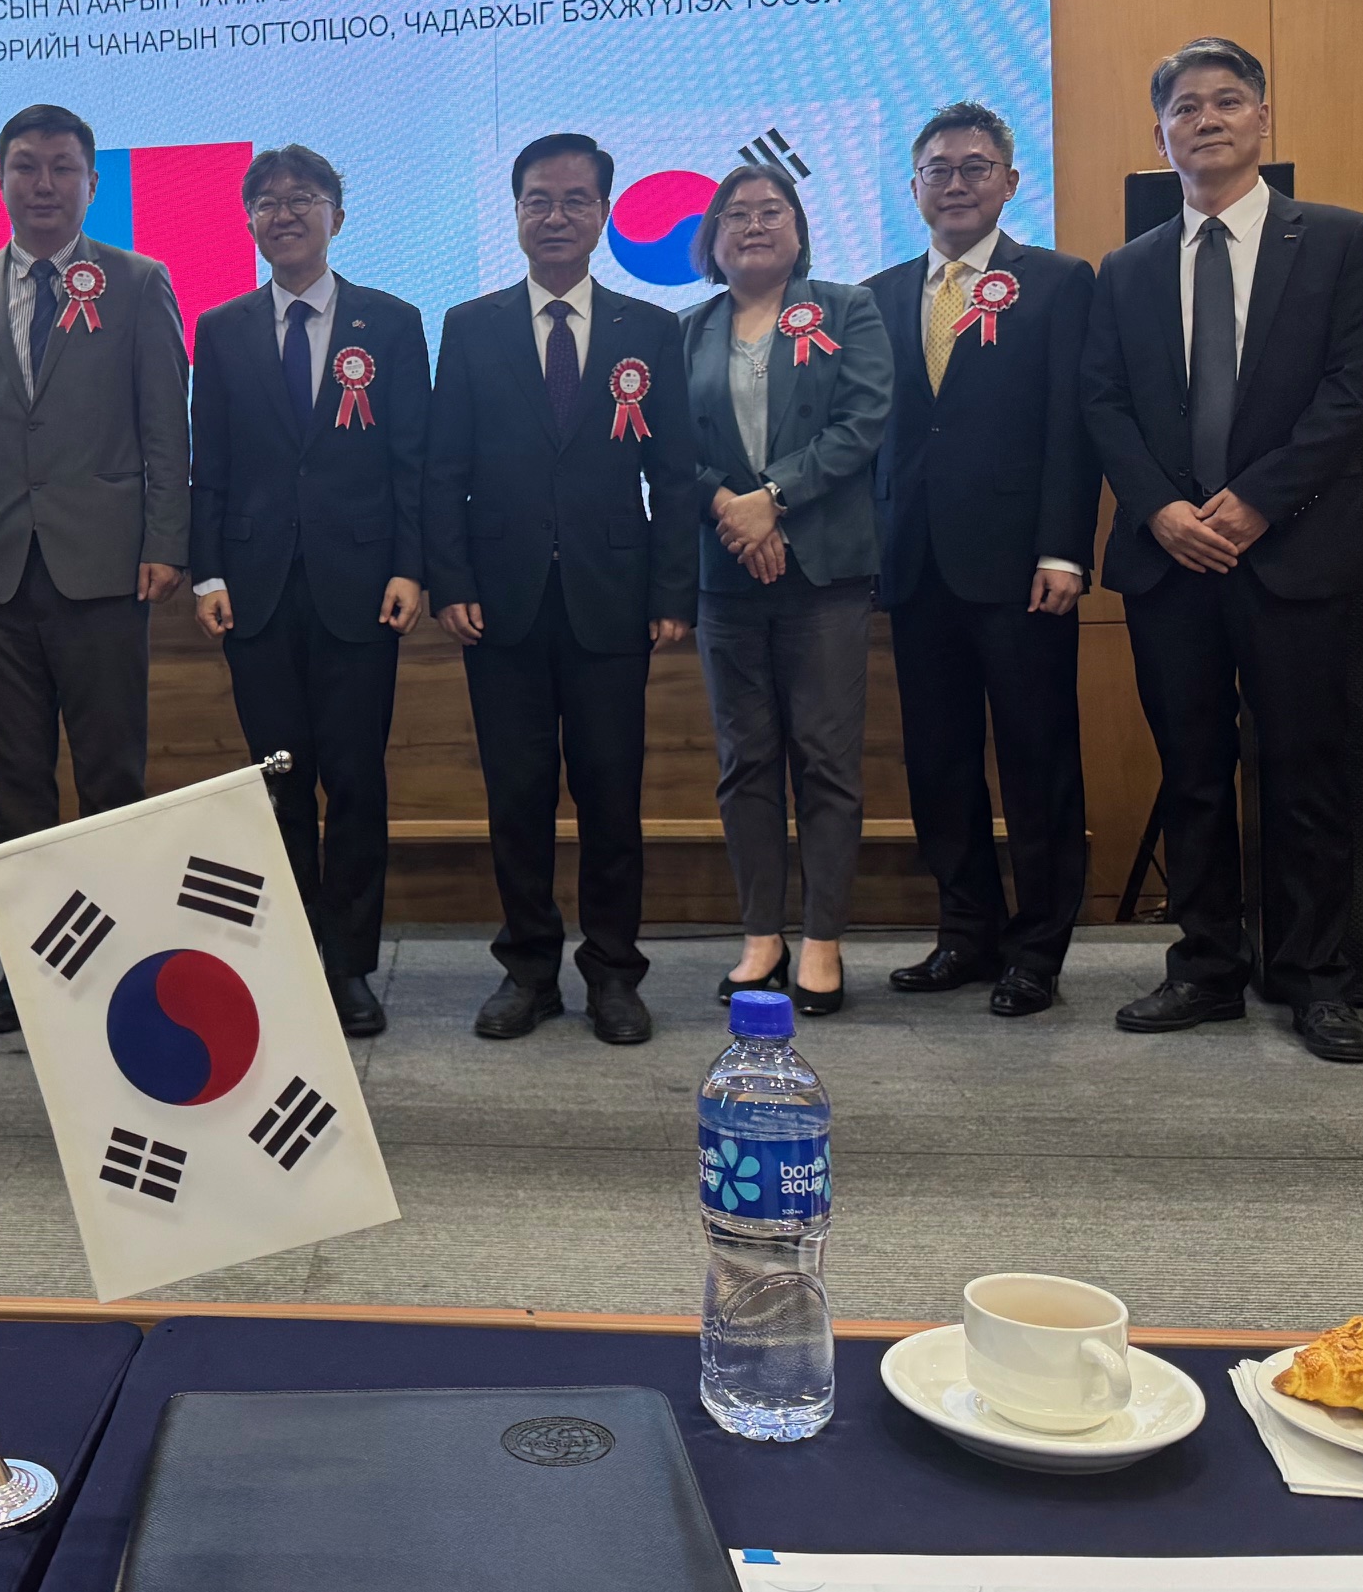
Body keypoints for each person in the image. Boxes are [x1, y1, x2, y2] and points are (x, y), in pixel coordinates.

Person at [1084, 37, 1363, 1064]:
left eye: (1227, 101)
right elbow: (1104, 403)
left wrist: (1257, 502)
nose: (1206, 119)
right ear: (1160, 134)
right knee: (1192, 773)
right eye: (1186, 107)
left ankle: (1315, 978)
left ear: (1263, 118)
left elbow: (1353, 389)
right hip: (1170, 562)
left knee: (1304, 771)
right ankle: (1207, 966)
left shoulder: (1341, 240)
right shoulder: (1127, 268)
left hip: (1292, 554)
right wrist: (1162, 511)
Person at [0, 103, 192, 1034]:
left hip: (106, 568)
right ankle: (34, 968)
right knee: (15, 784)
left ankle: (119, 967)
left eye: (62, 167)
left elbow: (166, 427)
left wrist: (165, 540)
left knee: (111, 779)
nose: (43, 184)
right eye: (25, 166)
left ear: (91, 183)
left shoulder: (138, 281)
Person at [425, 132, 698, 1045]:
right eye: (538, 199)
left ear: (604, 214)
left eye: (576, 200)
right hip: (498, 603)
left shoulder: (648, 330)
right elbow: (444, 469)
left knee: (612, 798)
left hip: (612, 600)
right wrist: (451, 580)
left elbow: (675, 473)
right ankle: (529, 971)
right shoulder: (472, 326)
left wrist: (672, 591)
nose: (556, 216)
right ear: (515, 213)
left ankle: (614, 973)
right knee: (518, 797)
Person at [865, 105, 1101, 1018]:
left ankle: (1037, 950)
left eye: (975, 166)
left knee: (1038, 761)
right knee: (939, 762)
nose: (956, 182)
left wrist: (1064, 549)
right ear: (914, 187)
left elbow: (1071, 427)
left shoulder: (1058, 283)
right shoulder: (878, 295)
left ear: (1010, 180)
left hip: (1021, 569)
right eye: (939, 168)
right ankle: (965, 931)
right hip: (915, 568)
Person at [189, 145, 430, 1037]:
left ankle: (350, 964)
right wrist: (208, 570)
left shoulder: (390, 323)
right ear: (249, 221)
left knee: (356, 780)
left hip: (363, 586)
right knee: (279, 781)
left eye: (303, 198)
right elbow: (209, 462)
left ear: (338, 215)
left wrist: (410, 565)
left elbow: (412, 458)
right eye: (266, 201)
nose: (284, 213)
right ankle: (292, 957)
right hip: (254, 590)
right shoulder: (221, 328)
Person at [679, 163, 893, 1018]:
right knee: (746, 762)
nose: (753, 225)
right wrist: (731, 510)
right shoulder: (685, 330)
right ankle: (761, 935)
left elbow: (863, 421)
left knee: (827, 760)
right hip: (726, 573)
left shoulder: (848, 310)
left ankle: (824, 938)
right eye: (735, 214)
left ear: (800, 228)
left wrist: (773, 499)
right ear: (712, 237)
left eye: (772, 211)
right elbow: (667, 446)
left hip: (824, 572)